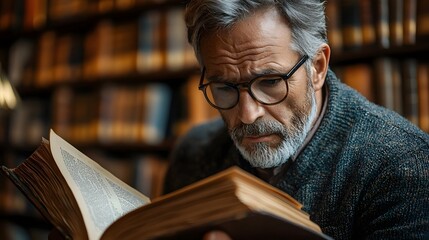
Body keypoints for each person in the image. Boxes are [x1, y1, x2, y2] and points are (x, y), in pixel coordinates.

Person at [163, 0, 429, 239]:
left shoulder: (404, 167)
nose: (247, 114)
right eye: (223, 88)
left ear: (317, 67)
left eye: (270, 82)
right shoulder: (192, 154)